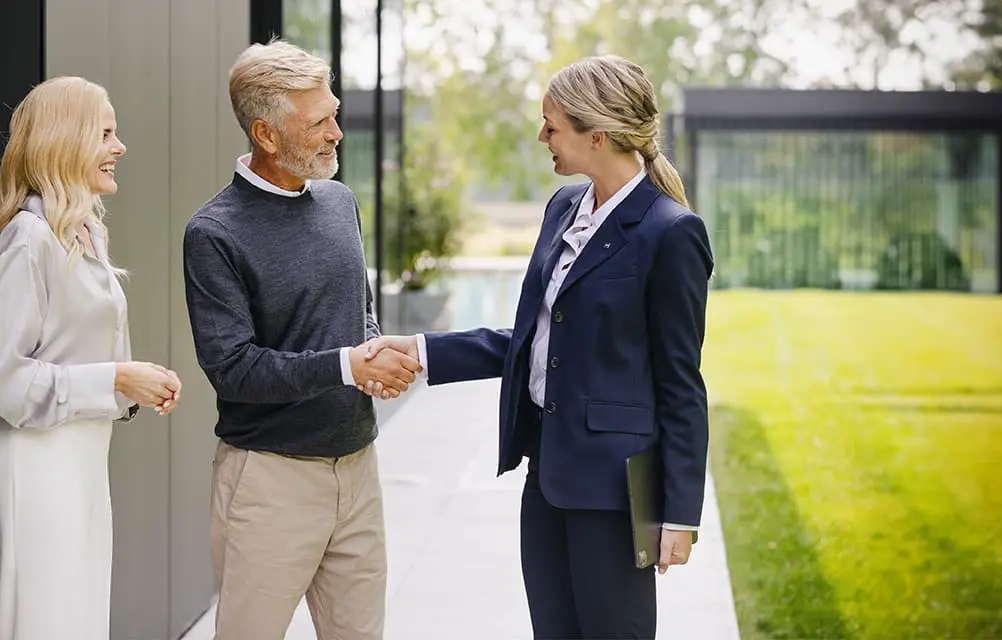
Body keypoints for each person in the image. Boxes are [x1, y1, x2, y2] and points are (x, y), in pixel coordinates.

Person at [362, 55, 714, 639]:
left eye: (552, 125)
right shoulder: (561, 210)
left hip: (614, 494)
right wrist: (424, 351)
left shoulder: (670, 232)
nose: (541, 136)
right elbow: (536, 338)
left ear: (596, 134)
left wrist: (679, 512)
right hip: (546, 477)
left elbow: (682, 383)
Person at [181, 40, 421, 640]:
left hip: (357, 467)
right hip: (269, 482)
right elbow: (233, 368)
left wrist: (376, 354)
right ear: (266, 134)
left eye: (333, 113)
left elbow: (354, 318)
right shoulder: (213, 233)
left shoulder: (340, 203)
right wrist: (347, 365)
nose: (337, 132)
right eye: (319, 121)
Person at [0, 76, 182, 640]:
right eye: (105, 132)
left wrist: (129, 383)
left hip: (80, 464)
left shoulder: (80, 235)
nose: (119, 146)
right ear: (66, 140)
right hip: (38, 471)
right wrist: (117, 377)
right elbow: (5, 381)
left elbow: (78, 356)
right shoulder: (29, 239)